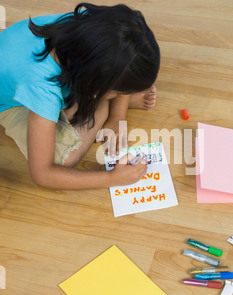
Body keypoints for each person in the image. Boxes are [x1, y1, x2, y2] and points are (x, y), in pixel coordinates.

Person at [0, 3, 160, 189]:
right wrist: (112, 179)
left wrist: (118, 116)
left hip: (31, 70)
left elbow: (124, 49)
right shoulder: (42, 89)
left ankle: (107, 100)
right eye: (118, 93)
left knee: (132, 61)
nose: (120, 96)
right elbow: (43, 173)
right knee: (63, 160)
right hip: (12, 102)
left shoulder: (92, 26)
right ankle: (102, 108)